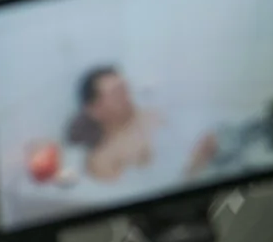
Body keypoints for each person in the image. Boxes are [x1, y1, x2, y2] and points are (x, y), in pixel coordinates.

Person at [66, 66, 219, 186]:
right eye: (116, 93)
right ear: (95, 110)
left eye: (125, 88)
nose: (127, 96)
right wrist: (195, 166)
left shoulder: (151, 115)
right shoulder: (103, 158)